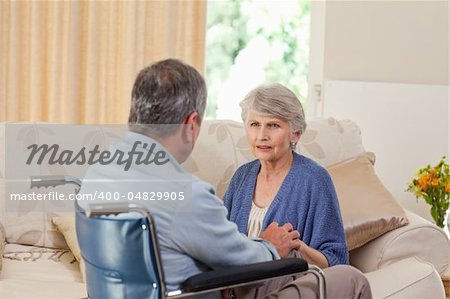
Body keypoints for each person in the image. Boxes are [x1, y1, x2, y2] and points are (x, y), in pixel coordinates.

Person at [78, 59, 301, 299]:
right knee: (344, 278)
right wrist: (269, 247)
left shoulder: (96, 174)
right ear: (190, 124)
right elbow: (246, 264)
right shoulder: (187, 196)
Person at [223, 83, 372, 298]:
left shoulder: (315, 180)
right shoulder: (241, 177)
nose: (262, 135)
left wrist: (297, 248)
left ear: (296, 134)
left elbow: (336, 260)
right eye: (255, 124)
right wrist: (265, 247)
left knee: (352, 278)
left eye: (273, 125)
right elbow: (219, 247)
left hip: (286, 285)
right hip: (238, 287)